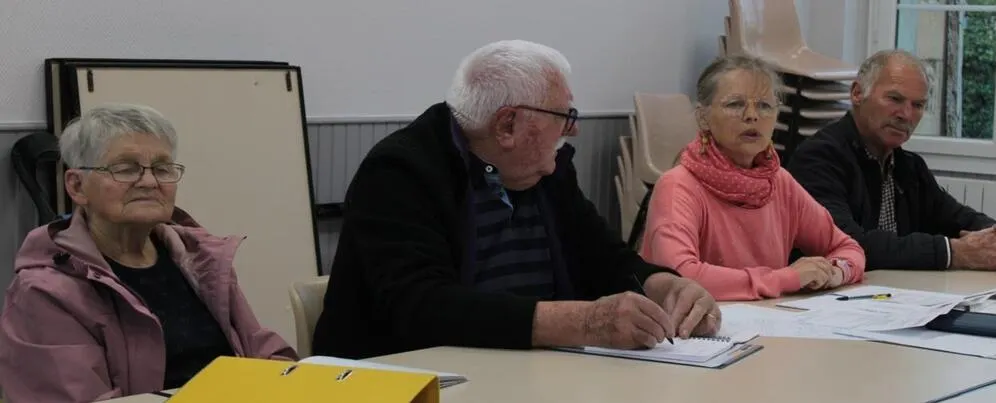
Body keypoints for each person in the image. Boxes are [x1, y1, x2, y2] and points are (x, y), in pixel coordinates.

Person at [312, 40, 721, 360]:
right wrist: (584, 323)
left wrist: (663, 286)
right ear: (507, 125)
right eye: (564, 116)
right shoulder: (400, 172)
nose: (573, 130)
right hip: (413, 379)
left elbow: (603, 258)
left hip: (531, 373)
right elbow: (421, 307)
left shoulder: (548, 169)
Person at [0, 104, 297, 402]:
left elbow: (261, 350)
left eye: (162, 168)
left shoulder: (201, 260)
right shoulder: (45, 293)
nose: (149, 182)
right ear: (77, 186)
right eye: (126, 168)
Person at [638, 55, 866, 301]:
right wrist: (784, 279)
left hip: (768, 319)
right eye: (735, 104)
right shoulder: (678, 185)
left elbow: (847, 248)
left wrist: (834, 273)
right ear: (703, 117)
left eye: (765, 106)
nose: (752, 116)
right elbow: (679, 277)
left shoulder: (779, 182)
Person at [787, 49, 996, 271]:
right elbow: (846, 244)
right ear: (857, 93)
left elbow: (956, 216)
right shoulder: (819, 157)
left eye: (917, 105)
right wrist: (954, 252)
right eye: (894, 99)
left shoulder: (909, 166)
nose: (906, 115)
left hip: (894, 291)